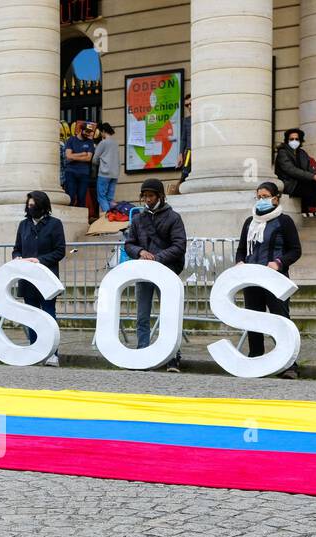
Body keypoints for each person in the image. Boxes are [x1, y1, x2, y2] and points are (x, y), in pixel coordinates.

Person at [234, 182, 302, 377]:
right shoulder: (250, 222)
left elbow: (295, 250)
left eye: (265, 196)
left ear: (275, 198)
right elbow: (241, 249)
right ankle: (256, 357)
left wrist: (279, 263)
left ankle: (290, 364)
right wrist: (240, 262)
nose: (261, 200)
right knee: (253, 318)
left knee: (280, 319)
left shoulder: (284, 221)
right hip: (252, 279)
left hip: (275, 279)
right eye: (258, 196)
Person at [123, 178, 187, 370]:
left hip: (166, 271)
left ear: (160, 196)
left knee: (169, 315)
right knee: (142, 315)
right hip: (144, 272)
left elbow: (180, 245)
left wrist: (157, 258)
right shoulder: (138, 219)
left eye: (151, 196)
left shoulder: (173, 217)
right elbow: (129, 243)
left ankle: (172, 356)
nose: (148, 200)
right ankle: (143, 352)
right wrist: (140, 252)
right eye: (145, 196)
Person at [11, 190, 66, 368]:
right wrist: (18, 257)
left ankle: (52, 354)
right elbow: (17, 248)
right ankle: (35, 351)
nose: (30, 208)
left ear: (42, 206)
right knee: (32, 315)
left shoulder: (55, 224)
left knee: (49, 314)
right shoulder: (23, 225)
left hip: (47, 278)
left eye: (34, 205)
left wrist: (40, 260)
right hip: (28, 279)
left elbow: (60, 251)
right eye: (29, 205)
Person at [62, 122, 96, 208]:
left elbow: (88, 158)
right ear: (81, 130)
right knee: (70, 196)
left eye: (89, 132)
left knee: (82, 197)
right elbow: (68, 156)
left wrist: (74, 156)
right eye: (86, 131)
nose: (88, 134)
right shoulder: (71, 140)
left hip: (84, 173)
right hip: (71, 172)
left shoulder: (90, 142)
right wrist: (82, 154)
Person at [92, 123, 119, 215]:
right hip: (115, 174)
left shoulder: (103, 143)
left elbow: (95, 159)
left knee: (101, 197)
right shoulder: (115, 143)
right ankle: (111, 216)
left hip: (104, 173)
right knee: (109, 198)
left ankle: (108, 216)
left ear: (103, 131)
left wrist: (98, 163)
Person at [178, 93, 192, 183]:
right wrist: (180, 154)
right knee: (185, 172)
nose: (190, 107)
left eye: (191, 103)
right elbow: (183, 139)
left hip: (201, 151)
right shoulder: (186, 120)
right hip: (189, 152)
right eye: (187, 105)